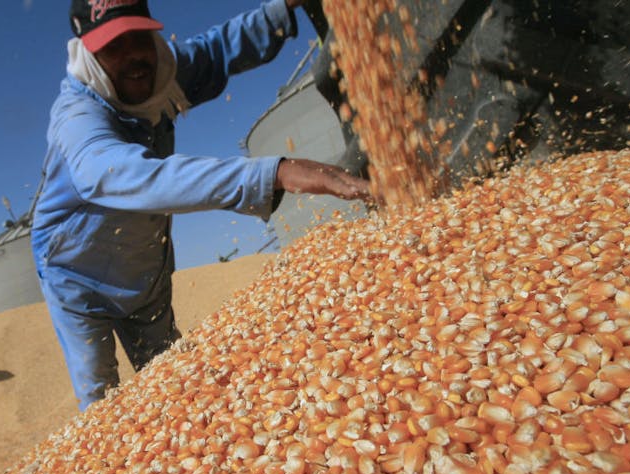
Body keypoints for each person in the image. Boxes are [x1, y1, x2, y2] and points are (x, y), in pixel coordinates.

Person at [32, 0, 375, 411]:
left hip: (145, 270)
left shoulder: (162, 69)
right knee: (102, 400)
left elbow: (219, 48)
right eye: (114, 46)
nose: (134, 57)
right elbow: (119, 174)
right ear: (88, 48)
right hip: (78, 280)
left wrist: (282, 9)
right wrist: (271, 173)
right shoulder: (78, 116)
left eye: (138, 38)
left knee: (172, 384)